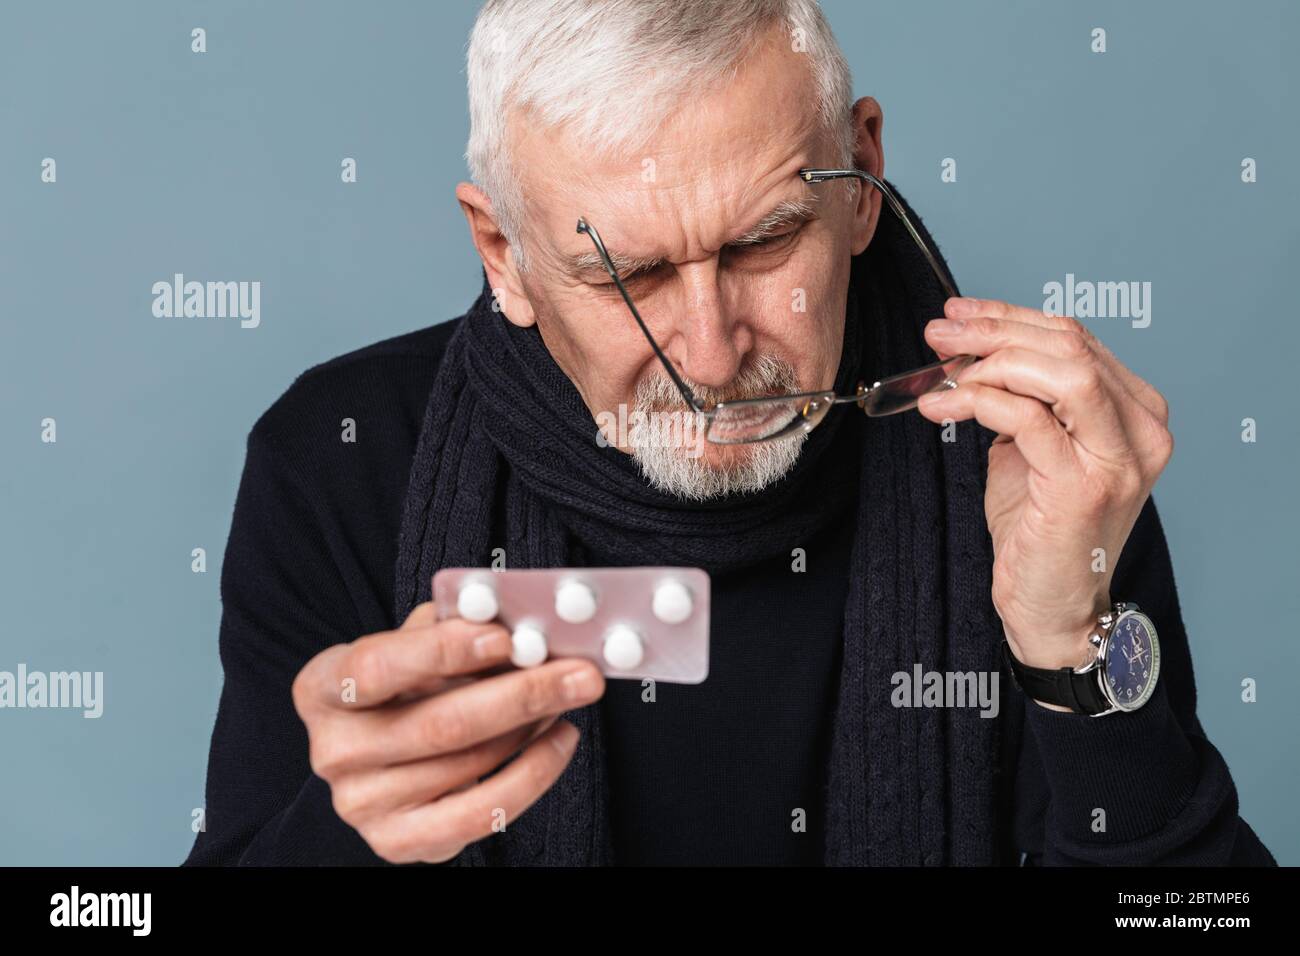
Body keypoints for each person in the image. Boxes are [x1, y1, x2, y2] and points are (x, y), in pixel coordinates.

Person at [184, 0, 1275, 866]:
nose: (706, 357)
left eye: (763, 242)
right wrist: (353, 829)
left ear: (860, 180)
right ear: (501, 251)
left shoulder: (1035, 465)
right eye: (633, 274)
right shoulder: (337, 458)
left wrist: (1070, 647)